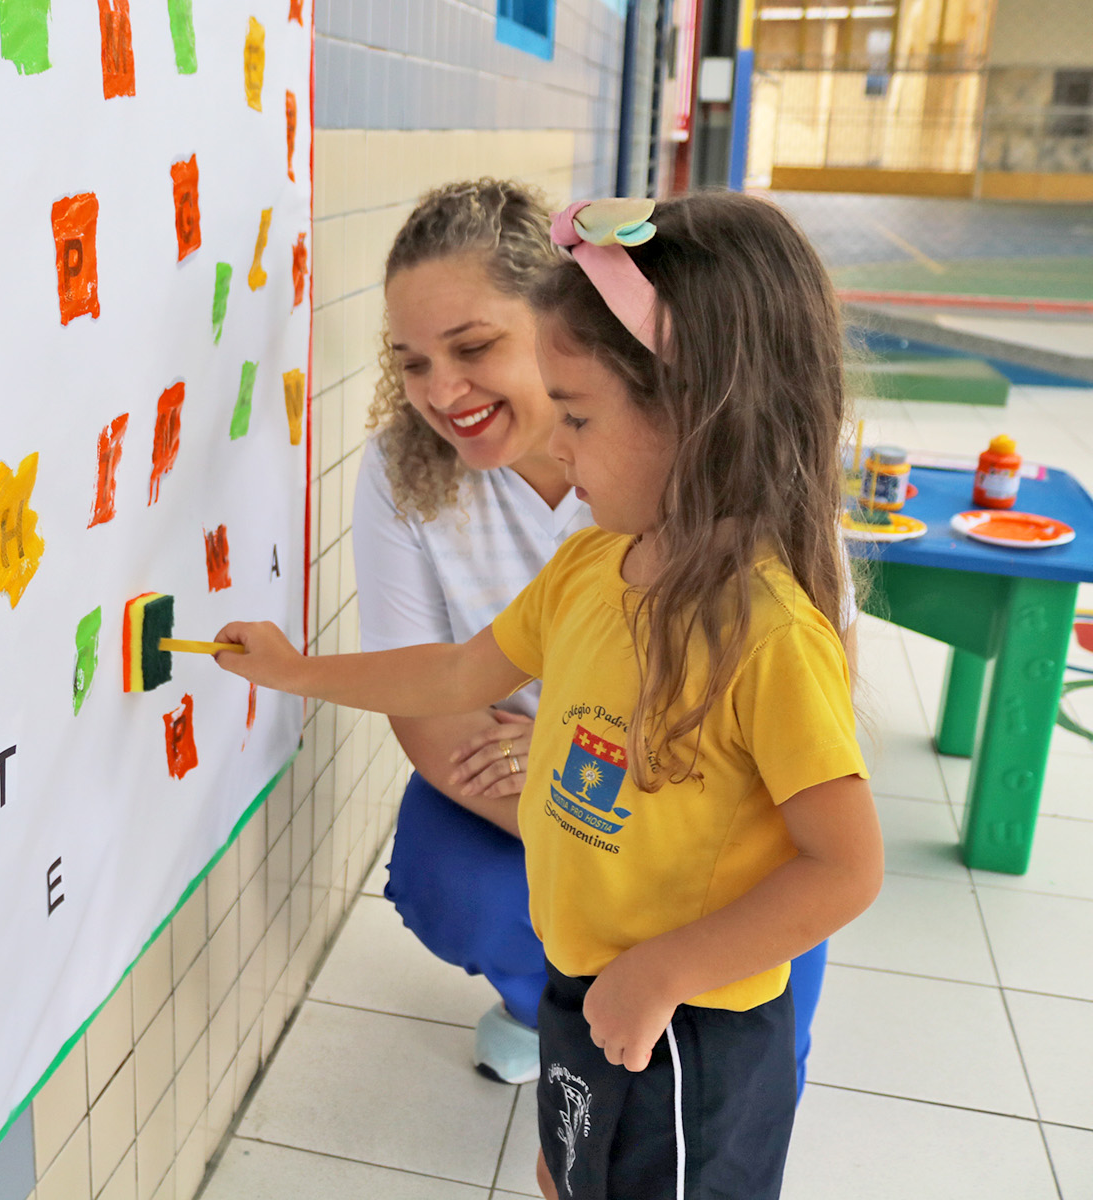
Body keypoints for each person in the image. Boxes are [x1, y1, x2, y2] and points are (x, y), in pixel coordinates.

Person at [213, 192, 884, 1199]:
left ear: (695, 412)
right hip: (587, 970)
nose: (560, 450)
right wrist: (290, 670)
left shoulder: (770, 633)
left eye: (576, 416)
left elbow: (844, 866)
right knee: (569, 1173)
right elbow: (453, 673)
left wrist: (663, 972)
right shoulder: (590, 567)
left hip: (691, 1012)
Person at [354, 180, 843, 1097]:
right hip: (561, 801)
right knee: (463, 895)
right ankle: (554, 1003)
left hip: (689, 822)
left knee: (738, 1067)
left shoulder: (731, 531)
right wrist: (584, 810)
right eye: (410, 362)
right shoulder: (423, 478)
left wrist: (580, 772)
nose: (440, 392)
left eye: (475, 347)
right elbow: (436, 693)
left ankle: (610, 1000)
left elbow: (823, 831)